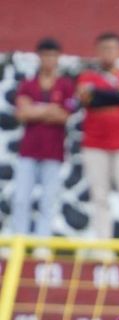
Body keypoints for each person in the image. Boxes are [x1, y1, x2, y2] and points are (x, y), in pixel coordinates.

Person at [77, 32, 119, 241]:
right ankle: (102, 248)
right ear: (97, 51)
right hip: (95, 145)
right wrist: (117, 98)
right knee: (99, 197)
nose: (108, 52)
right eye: (104, 48)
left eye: (113, 48)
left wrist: (104, 95)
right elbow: (89, 100)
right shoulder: (86, 76)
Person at [12, 37, 75, 241]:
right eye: (45, 56)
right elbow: (22, 114)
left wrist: (35, 109)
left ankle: (42, 243)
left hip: (53, 151)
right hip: (28, 150)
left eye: (53, 56)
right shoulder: (28, 84)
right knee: (21, 199)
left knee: (48, 200)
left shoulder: (65, 85)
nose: (49, 60)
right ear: (39, 58)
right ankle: (18, 241)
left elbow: (64, 116)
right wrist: (49, 109)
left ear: (58, 59)